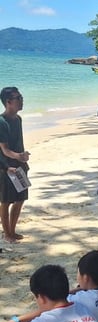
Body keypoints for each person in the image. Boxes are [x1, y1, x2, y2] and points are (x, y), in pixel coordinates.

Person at [0, 86, 30, 243]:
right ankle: (7, 233)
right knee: (5, 201)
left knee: (20, 199)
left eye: (21, 97)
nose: (21, 100)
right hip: (5, 167)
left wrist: (23, 157)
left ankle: (12, 230)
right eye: (18, 98)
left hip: (19, 165)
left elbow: (18, 143)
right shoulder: (1, 122)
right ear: (8, 102)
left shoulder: (18, 119)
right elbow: (4, 150)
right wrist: (9, 165)